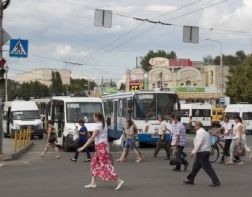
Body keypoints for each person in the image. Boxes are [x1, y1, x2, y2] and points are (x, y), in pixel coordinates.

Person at [78, 112, 124, 190]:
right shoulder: (103, 123)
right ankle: (93, 183)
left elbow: (92, 138)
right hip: (102, 146)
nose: (93, 117)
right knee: (94, 163)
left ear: (96, 117)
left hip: (101, 147)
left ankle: (119, 180)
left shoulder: (98, 125)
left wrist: (83, 147)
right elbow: (96, 136)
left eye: (94, 116)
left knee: (105, 165)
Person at [184, 121, 220, 187]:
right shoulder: (205, 132)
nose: (194, 127)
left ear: (198, 126)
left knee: (208, 168)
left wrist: (193, 151)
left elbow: (199, 143)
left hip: (202, 152)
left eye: (195, 126)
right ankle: (191, 179)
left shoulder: (200, 133)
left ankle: (216, 181)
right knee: (195, 167)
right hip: (203, 151)